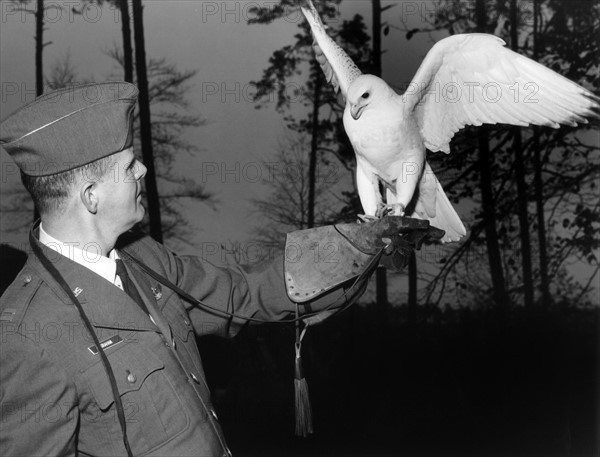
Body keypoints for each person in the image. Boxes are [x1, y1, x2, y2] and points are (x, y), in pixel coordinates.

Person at [0, 82, 427, 456]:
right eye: (130, 166)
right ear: (91, 197)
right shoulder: (26, 337)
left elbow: (239, 292)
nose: (144, 170)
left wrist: (355, 246)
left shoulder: (142, 257)